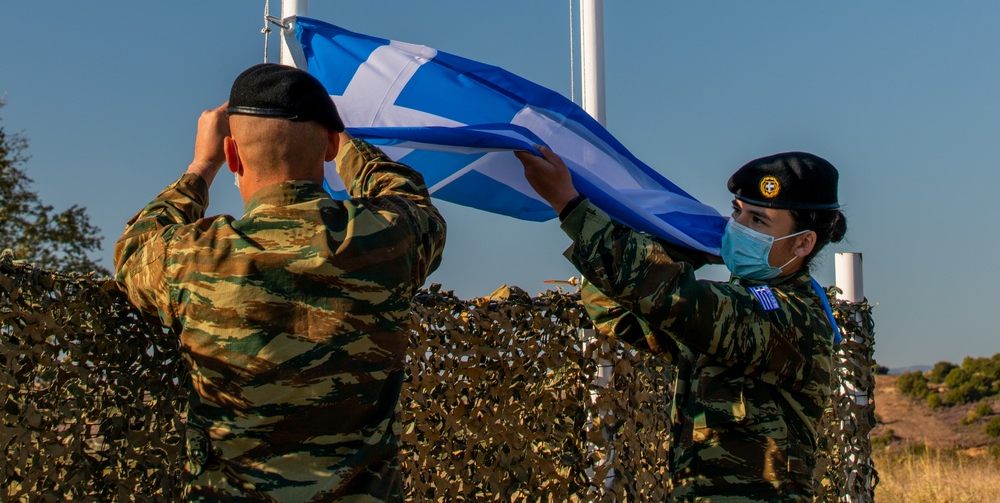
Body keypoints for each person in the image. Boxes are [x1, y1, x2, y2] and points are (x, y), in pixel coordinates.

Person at [115, 63, 447, 503]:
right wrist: (343, 140)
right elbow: (410, 199)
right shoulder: (390, 236)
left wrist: (201, 166)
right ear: (328, 146)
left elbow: (133, 250)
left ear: (232, 154)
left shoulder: (189, 257)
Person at [515, 144, 847, 503]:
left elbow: (674, 298)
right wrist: (687, 245)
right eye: (737, 213)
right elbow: (610, 308)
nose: (737, 227)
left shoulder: (792, 318)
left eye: (758, 221)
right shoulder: (737, 311)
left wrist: (570, 205)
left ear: (802, 244)